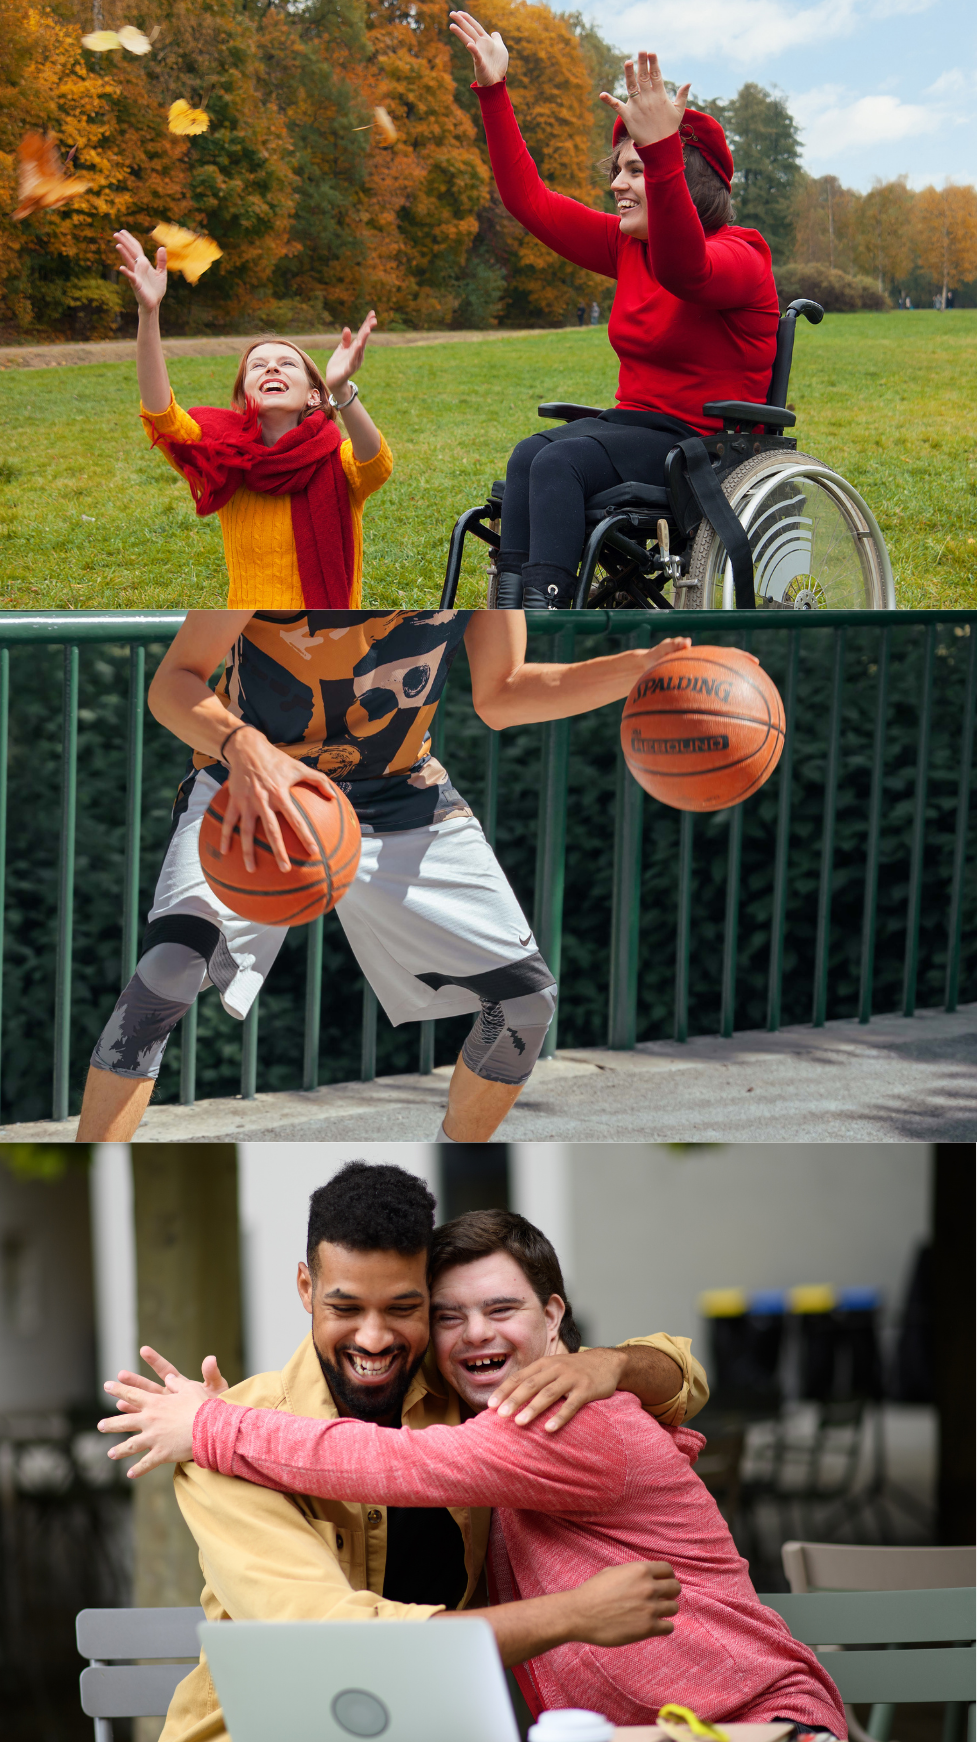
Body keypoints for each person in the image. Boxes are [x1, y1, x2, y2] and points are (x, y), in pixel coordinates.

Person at [139, 1201, 847, 1740]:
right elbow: (334, 1638)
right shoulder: (474, 1404)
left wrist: (208, 1424)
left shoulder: (571, 1415)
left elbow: (389, 1460)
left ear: (553, 1317)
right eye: (450, 1316)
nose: (475, 1332)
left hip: (750, 1724)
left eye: (500, 1308)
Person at [74, 609, 693, 1144]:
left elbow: (503, 692)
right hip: (256, 785)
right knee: (166, 973)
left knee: (525, 1005)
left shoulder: (486, 549)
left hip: (401, 795)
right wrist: (241, 745)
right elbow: (172, 685)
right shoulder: (276, 536)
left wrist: (633, 670)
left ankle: (450, 1184)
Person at [447, 19, 781, 607]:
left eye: (635, 171)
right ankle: (513, 612)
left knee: (561, 464)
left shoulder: (742, 254)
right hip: (636, 426)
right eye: (619, 171)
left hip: (705, 445)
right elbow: (532, 204)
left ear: (684, 178)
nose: (617, 186)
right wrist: (495, 91)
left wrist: (660, 150)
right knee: (531, 454)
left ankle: (547, 621)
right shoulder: (629, 246)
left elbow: (687, 271)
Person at [115, 228, 390, 609]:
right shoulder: (223, 458)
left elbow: (375, 461)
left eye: (286, 363)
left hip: (332, 645)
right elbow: (162, 416)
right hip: (252, 643)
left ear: (314, 395)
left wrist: (341, 390)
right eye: (257, 366)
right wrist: (150, 313)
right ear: (246, 398)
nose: (271, 368)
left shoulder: (338, 462)